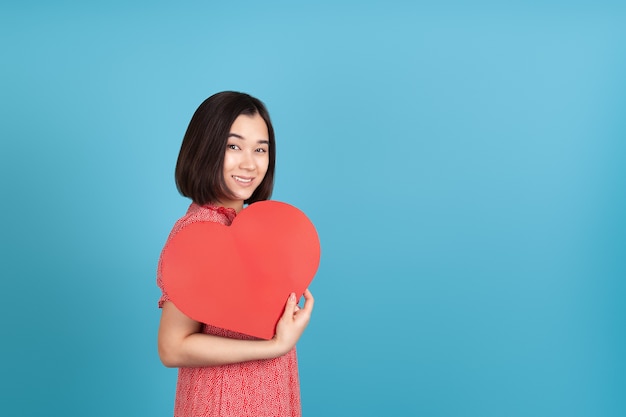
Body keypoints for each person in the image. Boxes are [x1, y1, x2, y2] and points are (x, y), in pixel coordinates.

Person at [156, 91, 314, 417]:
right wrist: (274, 347)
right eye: (233, 146)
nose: (249, 163)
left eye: (260, 149)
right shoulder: (199, 233)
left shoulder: (251, 230)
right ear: (205, 149)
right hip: (225, 404)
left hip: (268, 398)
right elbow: (172, 346)